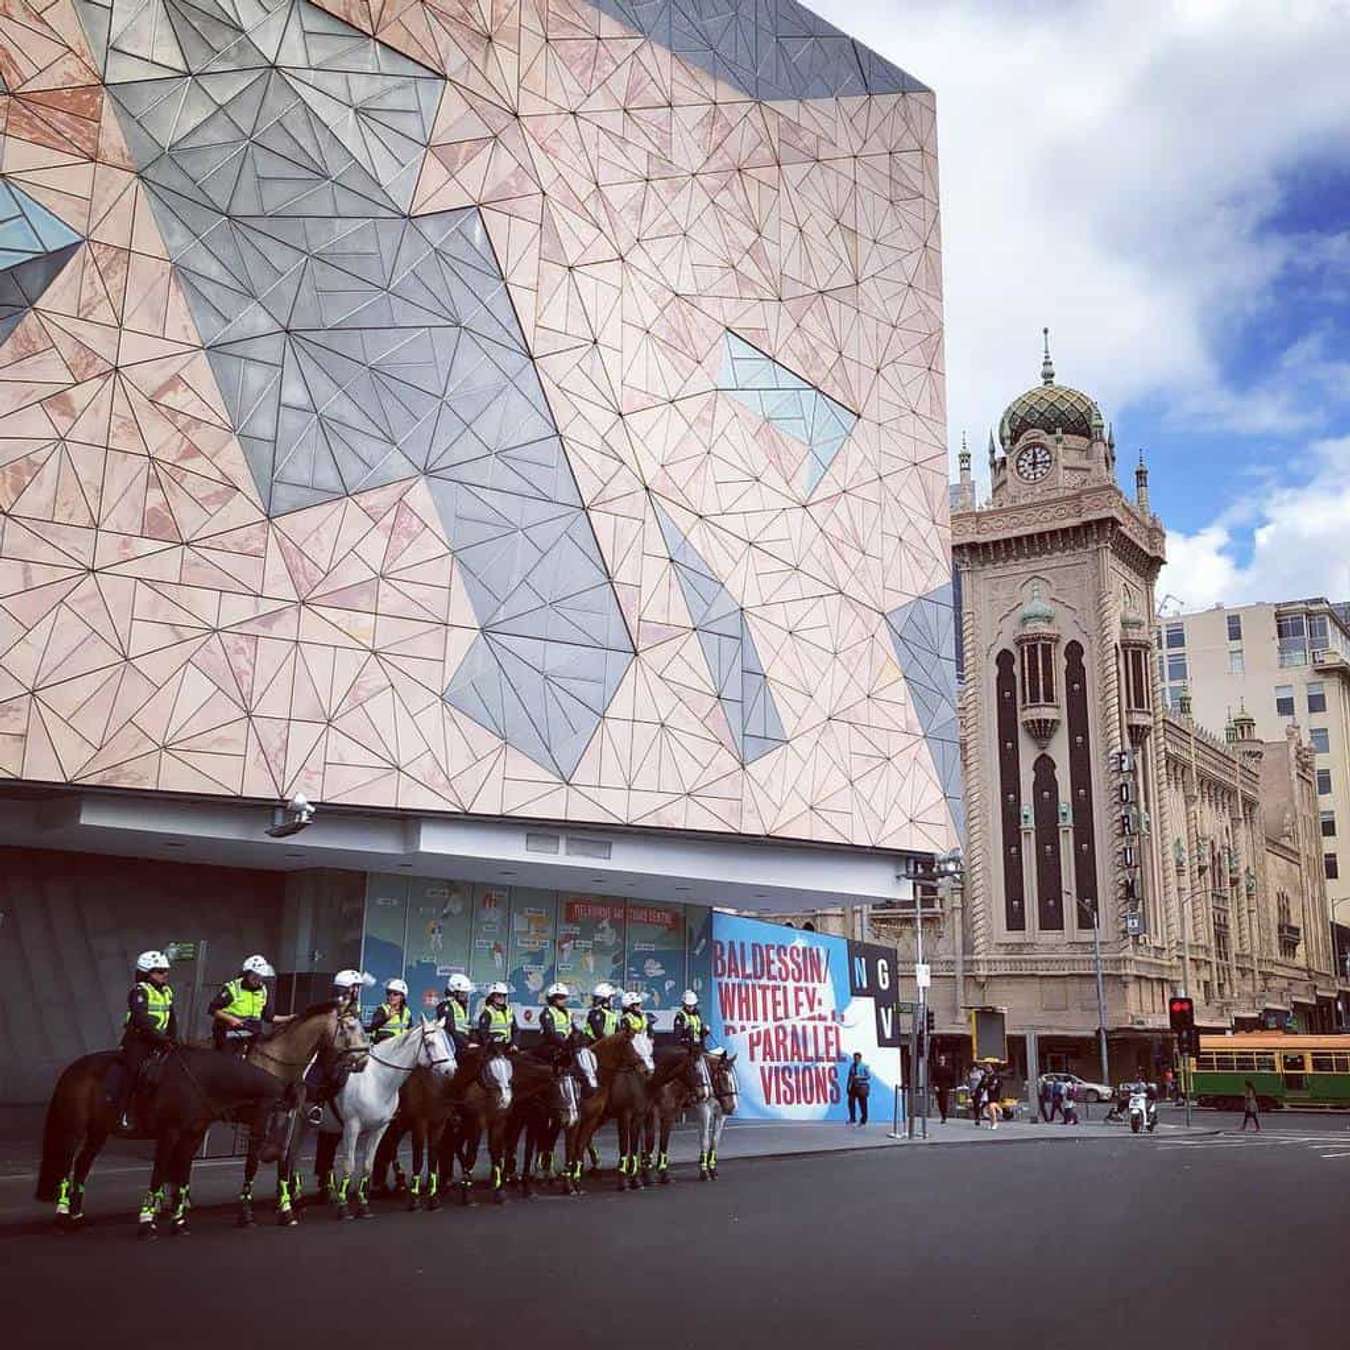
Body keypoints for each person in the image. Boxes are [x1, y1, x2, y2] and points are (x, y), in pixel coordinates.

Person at [114, 950, 178, 1130]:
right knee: (133, 1072)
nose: (165, 974)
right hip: (139, 1041)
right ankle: (121, 1113)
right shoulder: (140, 991)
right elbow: (141, 1019)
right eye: (160, 971)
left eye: (166, 970)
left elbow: (172, 1017)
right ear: (146, 973)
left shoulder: (167, 991)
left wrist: (172, 1038)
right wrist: (162, 1038)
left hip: (160, 1040)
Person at [305, 969, 371, 1124]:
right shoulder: (336, 1005)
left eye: (357, 987)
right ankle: (318, 1106)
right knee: (330, 1073)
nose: (356, 990)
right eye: (354, 987)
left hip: (346, 1048)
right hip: (330, 1047)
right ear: (345, 987)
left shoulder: (353, 1005)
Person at [210, 954, 289, 1052]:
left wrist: (290, 1018)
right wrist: (231, 1019)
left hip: (253, 1034)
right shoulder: (232, 988)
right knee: (230, 1063)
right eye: (254, 976)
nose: (258, 980)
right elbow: (213, 1010)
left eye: (260, 977)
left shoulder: (262, 990)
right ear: (246, 974)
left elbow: (268, 1017)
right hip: (229, 1034)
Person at [537, 983, 574, 1069]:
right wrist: (564, 1044)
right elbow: (550, 1033)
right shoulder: (547, 1013)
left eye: (564, 997)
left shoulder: (568, 1013)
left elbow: (573, 1029)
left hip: (566, 1046)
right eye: (560, 997)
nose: (563, 1000)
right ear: (552, 999)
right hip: (551, 1046)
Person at [437, 973, 475, 1053]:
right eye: (462, 993)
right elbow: (450, 1029)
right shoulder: (446, 1006)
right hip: (452, 1046)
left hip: (462, 1043)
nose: (465, 995)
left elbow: (467, 1028)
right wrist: (467, 1044)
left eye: (465, 993)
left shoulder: (462, 1006)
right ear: (454, 992)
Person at [478, 982, 518, 1050]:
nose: (502, 998)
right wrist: (491, 1046)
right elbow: (483, 1034)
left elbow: (516, 1030)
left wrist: (515, 1044)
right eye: (499, 995)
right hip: (494, 1049)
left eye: (504, 995)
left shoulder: (509, 1011)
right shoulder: (488, 1012)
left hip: (509, 1047)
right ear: (492, 997)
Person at [846, 1052, 871, 1125]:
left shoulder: (864, 1066)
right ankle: (852, 1118)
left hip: (861, 1086)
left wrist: (860, 1077)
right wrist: (848, 1086)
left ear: (860, 1058)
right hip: (853, 1086)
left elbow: (868, 1076)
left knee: (863, 1104)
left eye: (857, 1058)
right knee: (851, 1102)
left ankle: (863, 1119)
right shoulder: (852, 1066)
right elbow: (850, 1076)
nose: (855, 1060)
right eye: (854, 1058)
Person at [933, 1053, 954, 1124]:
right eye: (940, 1059)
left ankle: (944, 1117)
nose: (941, 1061)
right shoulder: (936, 1068)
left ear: (945, 1060)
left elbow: (952, 1078)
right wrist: (935, 1086)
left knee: (944, 1102)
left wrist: (951, 1087)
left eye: (942, 1059)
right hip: (938, 1087)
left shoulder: (948, 1068)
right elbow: (933, 1078)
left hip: (945, 1087)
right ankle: (942, 1115)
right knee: (940, 1102)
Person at [984, 1064, 1003, 1129]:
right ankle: (991, 1122)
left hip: (995, 1094)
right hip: (988, 1094)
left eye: (989, 1067)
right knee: (989, 1109)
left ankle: (995, 1122)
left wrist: (995, 1086)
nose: (988, 1068)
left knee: (992, 1107)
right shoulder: (986, 1076)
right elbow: (983, 1085)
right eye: (986, 1067)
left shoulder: (996, 1076)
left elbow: (1000, 1084)